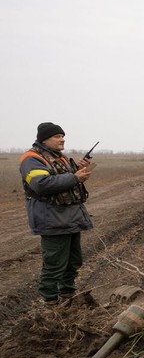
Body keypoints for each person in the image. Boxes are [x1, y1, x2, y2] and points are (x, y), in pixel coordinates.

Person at [19, 122, 93, 303]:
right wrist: (74, 177)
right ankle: (50, 304)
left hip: (70, 218)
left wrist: (77, 170)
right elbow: (41, 184)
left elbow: (62, 180)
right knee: (54, 264)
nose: (62, 139)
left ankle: (68, 295)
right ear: (44, 139)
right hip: (52, 219)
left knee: (73, 262)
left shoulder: (58, 157)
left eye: (63, 136)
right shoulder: (32, 159)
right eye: (57, 136)